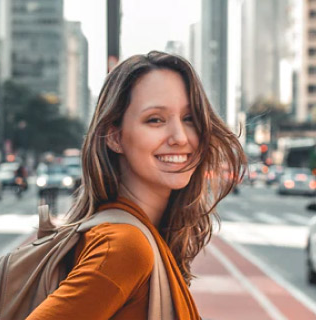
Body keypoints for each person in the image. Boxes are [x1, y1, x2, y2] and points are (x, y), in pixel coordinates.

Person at [27, 51, 247, 319]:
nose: (180, 137)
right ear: (115, 137)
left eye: (189, 118)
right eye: (155, 119)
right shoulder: (124, 247)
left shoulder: (141, 235)